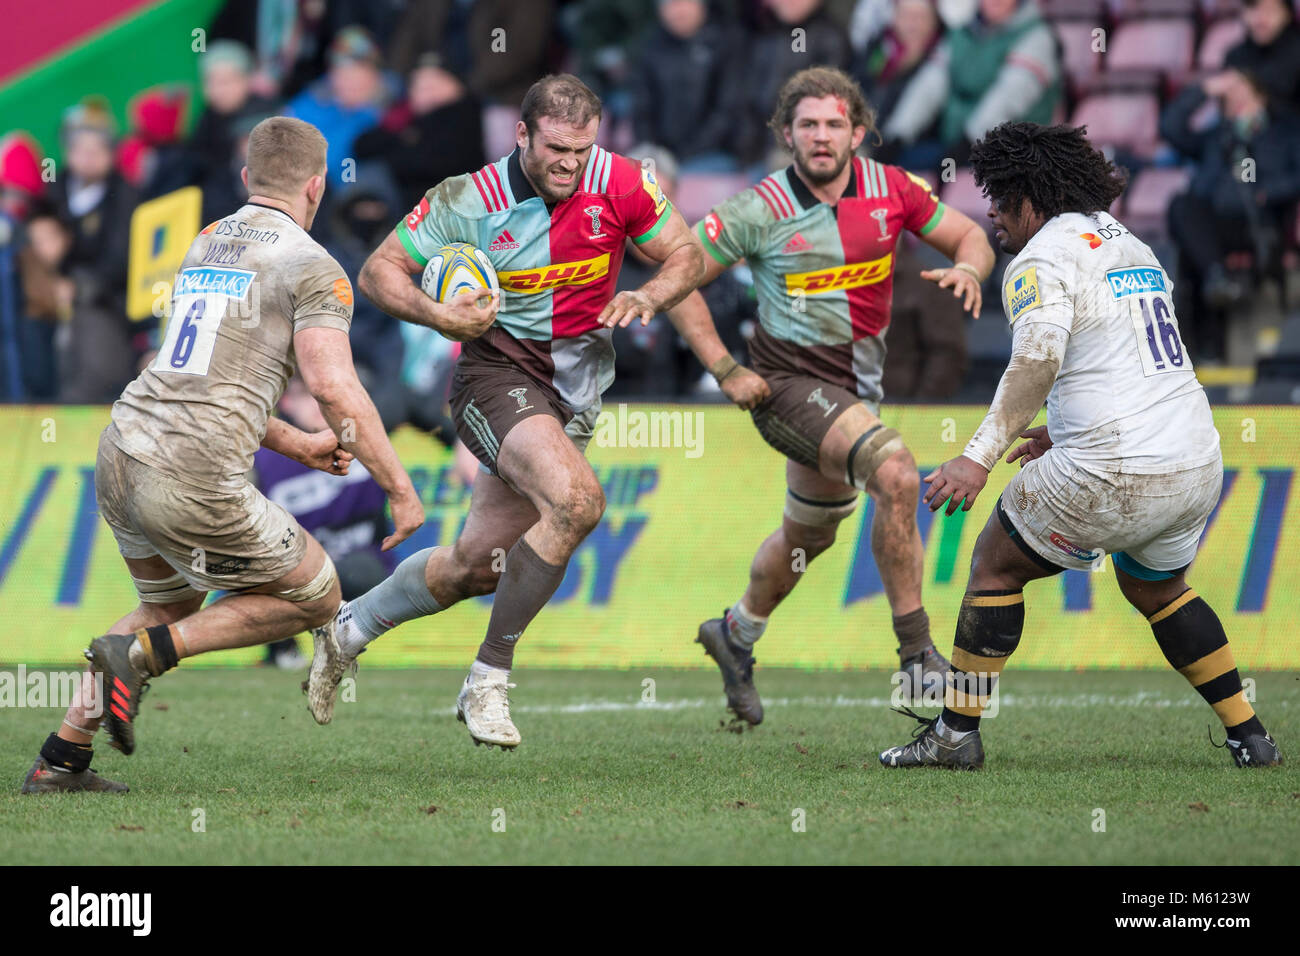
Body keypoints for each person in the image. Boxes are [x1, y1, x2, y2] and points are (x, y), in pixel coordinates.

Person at [20, 117, 422, 794]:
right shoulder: (313, 264)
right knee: (317, 593)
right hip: (193, 471)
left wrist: (295, 444)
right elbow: (333, 385)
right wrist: (400, 488)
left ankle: (62, 758)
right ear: (318, 186)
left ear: (246, 180)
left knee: (171, 603)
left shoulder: (208, 240)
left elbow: (197, 375)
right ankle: (142, 658)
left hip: (122, 448)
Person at [310, 74, 704, 749]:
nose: (569, 165)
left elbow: (688, 253)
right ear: (521, 134)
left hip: (575, 395)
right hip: (496, 376)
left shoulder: (621, 182)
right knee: (578, 502)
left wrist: (653, 294)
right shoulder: (468, 199)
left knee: (475, 565)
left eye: (582, 150)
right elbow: (379, 272)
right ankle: (487, 680)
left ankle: (348, 628)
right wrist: (443, 317)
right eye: (555, 148)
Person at [879, 122, 1282, 771]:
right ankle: (1250, 734)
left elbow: (1037, 359)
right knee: (1158, 588)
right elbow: (1123, 358)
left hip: (1114, 465)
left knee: (995, 564)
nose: (993, 212)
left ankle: (955, 735)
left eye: (1002, 196)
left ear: (1033, 199)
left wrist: (976, 457)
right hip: (1194, 459)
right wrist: (1064, 429)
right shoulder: (1133, 247)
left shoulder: (1040, 257)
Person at [667, 67, 995, 724]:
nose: (821, 136)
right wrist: (725, 366)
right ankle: (918, 662)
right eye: (808, 124)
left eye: (834, 124)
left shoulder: (893, 189)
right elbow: (676, 274)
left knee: (807, 536)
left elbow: (971, 236)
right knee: (897, 475)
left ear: (859, 132)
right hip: (784, 387)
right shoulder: (757, 208)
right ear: (786, 134)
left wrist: (967, 268)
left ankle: (736, 632)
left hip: (851, 395)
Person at [1161, 69, 1300, 362]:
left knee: (1196, 250)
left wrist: (1266, 192)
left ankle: (1216, 279)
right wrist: (1204, 90)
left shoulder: (1284, 134)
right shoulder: (1216, 138)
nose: (1237, 103)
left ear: (1261, 98)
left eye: (1244, 95)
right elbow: (1171, 129)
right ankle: (1217, 280)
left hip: (1257, 225)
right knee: (1181, 205)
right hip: (1212, 230)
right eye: (1230, 98)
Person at [880, 0, 1061, 171]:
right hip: (956, 146)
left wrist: (970, 141)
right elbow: (929, 86)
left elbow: (1008, 97)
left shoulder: (1037, 36)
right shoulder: (962, 32)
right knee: (891, 162)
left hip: (1015, 154)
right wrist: (898, 135)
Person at [630, 0, 748, 173]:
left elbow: (728, 110)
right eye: (670, 4)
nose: (679, 11)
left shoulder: (727, 42)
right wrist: (653, 151)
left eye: (684, 3)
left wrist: (686, 155)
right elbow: (642, 109)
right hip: (663, 154)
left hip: (715, 153)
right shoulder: (650, 48)